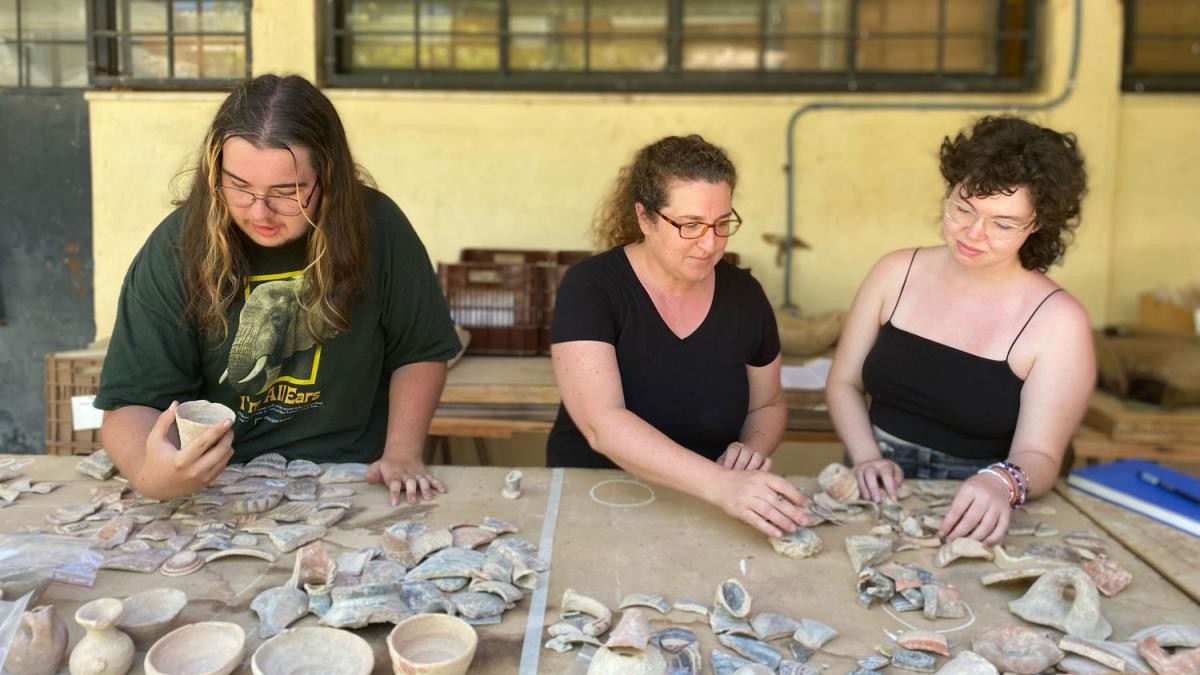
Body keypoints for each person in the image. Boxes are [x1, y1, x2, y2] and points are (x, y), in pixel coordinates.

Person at [95, 74, 461, 505]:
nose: (260, 211)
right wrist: (150, 473)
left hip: (351, 474)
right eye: (239, 187)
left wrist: (402, 453)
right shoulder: (178, 245)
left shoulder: (377, 226)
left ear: (329, 177)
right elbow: (132, 401)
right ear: (215, 170)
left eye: (287, 192)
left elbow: (419, 350)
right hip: (218, 477)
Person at [826, 115, 1094, 544]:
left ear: (1037, 224)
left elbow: (1040, 454)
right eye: (962, 208)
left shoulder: (1059, 321)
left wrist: (1000, 484)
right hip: (875, 481)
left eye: (1003, 224)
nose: (973, 233)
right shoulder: (895, 271)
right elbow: (843, 383)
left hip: (978, 503)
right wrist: (866, 457)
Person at [547, 134, 807, 539]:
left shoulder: (745, 296)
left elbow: (768, 404)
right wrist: (722, 486)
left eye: (723, 223)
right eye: (690, 225)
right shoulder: (592, 287)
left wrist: (750, 452)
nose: (710, 243)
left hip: (709, 507)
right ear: (646, 218)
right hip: (599, 498)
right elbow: (603, 423)